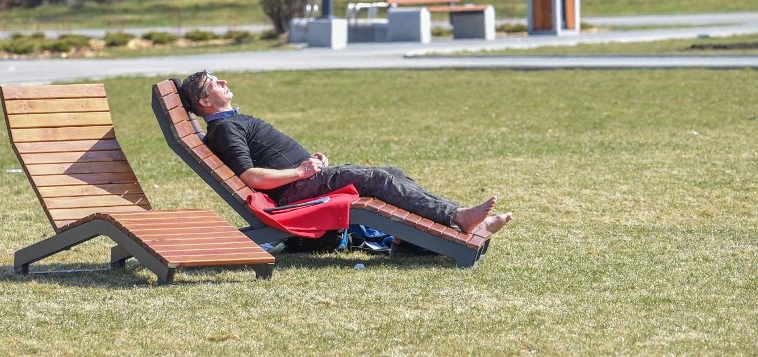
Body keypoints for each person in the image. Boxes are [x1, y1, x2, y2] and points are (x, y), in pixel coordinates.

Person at [178, 70, 513, 236]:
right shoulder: (224, 130)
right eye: (214, 84)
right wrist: (301, 172)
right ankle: (457, 216)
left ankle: (455, 222)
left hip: (304, 180)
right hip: (296, 193)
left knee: (390, 174)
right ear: (205, 102)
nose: (223, 82)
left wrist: (308, 164)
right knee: (377, 179)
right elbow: (251, 177)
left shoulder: (231, 122)